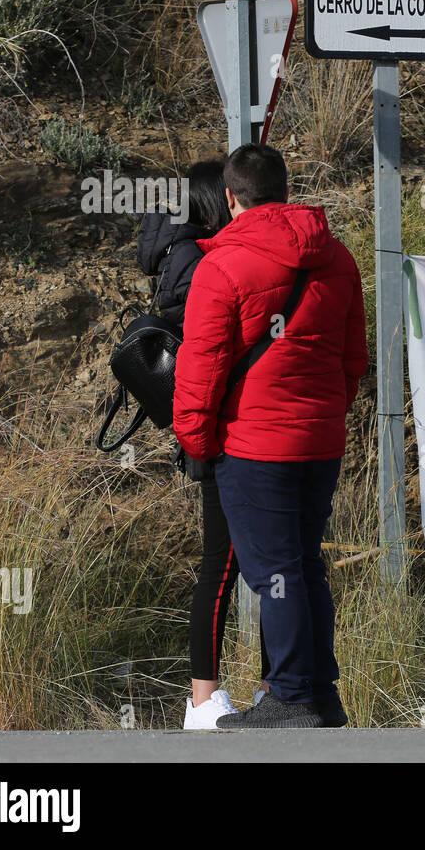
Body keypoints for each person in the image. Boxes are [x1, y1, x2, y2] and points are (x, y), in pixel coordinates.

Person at [173, 144, 367, 729]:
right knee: (305, 565)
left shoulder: (222, 267)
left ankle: (288, 697)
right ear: (285, 190)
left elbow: (200, 369)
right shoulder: (339, 260)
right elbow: (354, 360)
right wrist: (323, 415)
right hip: (320, 442)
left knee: (274, 571)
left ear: (230, 197)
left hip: (254, 448)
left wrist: (199, 443)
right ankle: (318, 694)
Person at [137, 159, 271, 730]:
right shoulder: (200, 263)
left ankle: (212, 697)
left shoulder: (176, 257)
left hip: (205, 433)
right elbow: (211, 353)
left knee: (231, 562)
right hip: (222, 434)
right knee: (233, 562)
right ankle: (208, 699)